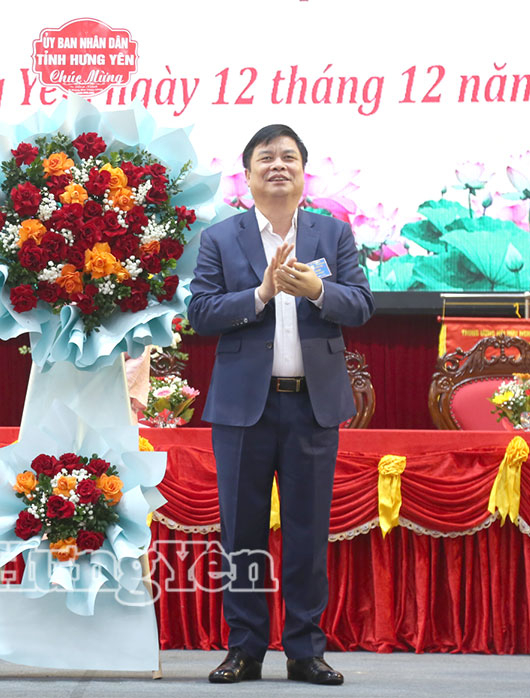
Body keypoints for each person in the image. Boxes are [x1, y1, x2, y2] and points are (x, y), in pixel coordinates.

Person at [187, 124, 374, 686]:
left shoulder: (333, 234)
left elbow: (361, 305)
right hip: (244, 410)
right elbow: (201, 313)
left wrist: (316, 290)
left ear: (303, 172)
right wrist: (262, 294)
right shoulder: (221, 238)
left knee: (307, 533)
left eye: (288, 157)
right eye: (265, 158)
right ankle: (244, 649)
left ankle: (305, 651)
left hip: (311, 407)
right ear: (247, 175)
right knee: (241, 533)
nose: (278, 166)